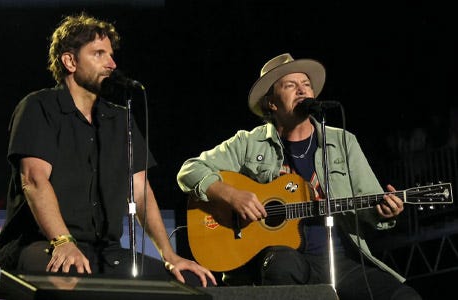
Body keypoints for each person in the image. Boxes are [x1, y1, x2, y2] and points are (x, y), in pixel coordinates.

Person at [0, 12, 216, 288]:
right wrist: (63, 242)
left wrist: (170, 256)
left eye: (110, 55)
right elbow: (34, 180)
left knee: (189, 281)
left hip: (104, 252)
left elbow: (141, 191)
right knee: (73, 277)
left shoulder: (120, 118)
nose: (111, 63)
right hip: (43, 244)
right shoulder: (40, 107)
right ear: (70, 61)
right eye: (98, 54)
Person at [177, 53, 421, 299]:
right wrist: (231, 195)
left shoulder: (342, 142)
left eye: (306, 85)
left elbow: (368, 200)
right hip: (280, 260)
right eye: (291, 85)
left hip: (339, 260)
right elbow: (189, 170)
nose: (302, 90)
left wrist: (383, 212)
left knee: (404, 296)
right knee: (283, 265)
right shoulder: (249, 143)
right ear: (271, 102)